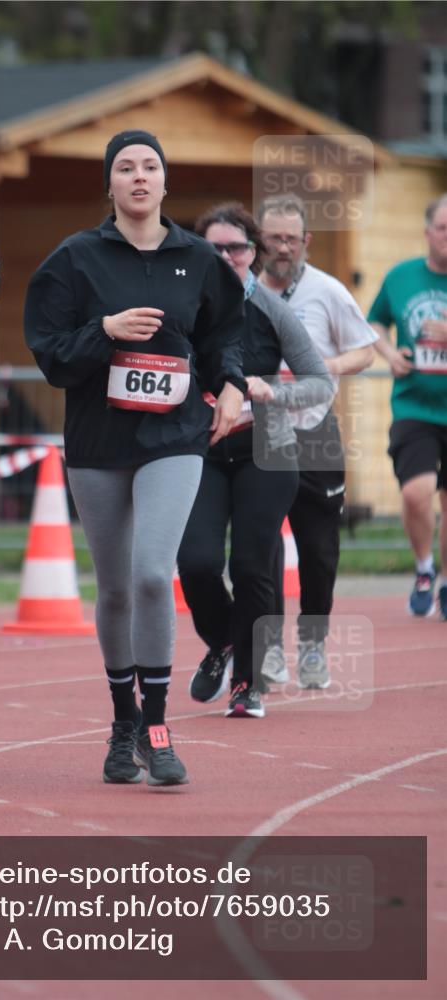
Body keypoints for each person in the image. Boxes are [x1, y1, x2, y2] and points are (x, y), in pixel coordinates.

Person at [24, 130, 246, 786]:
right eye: (126, 167)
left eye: (150, 166)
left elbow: (223, 335)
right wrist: (105, 332)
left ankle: (156, 721)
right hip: (97, 442)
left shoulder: (198, 257)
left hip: (174, 437)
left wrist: (230, 386)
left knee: (152, 574)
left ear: (164, 182)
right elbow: (51, 353)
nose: (139, 177)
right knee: (115, 585)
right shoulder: (75, 258)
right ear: (110, 184)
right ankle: (122, 718)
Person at [177, 203, 333, 717]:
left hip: (267, 450)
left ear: (254, 252)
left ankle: (247, 681)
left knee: (250, 564)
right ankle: (222, 640)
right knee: (196, 561)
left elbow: (319, 381)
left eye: (236, 247)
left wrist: (272, 391)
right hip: (202, 449)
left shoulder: (271, 309)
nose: (225, 256)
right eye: (213, 247)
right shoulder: (184, 306)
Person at [256, 193, 376, 689]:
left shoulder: (327, 291)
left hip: (316, 432)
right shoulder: (244, 292)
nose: (282, 248)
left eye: (290, 238)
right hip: (260, 435)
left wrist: (323, 366)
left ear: (306, 241)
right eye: (273, 238)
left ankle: (312, 648)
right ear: (258, 241)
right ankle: (266, 652)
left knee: (320, 550)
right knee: (259, 548)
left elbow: (366, 351)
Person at [367, 194, 447, 619]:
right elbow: (374, 320)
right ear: (427, 232)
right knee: (417, 493)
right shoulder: (402, 277)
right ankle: (423, 569)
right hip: (415, 406)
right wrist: (388, 353)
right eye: (444, 228)